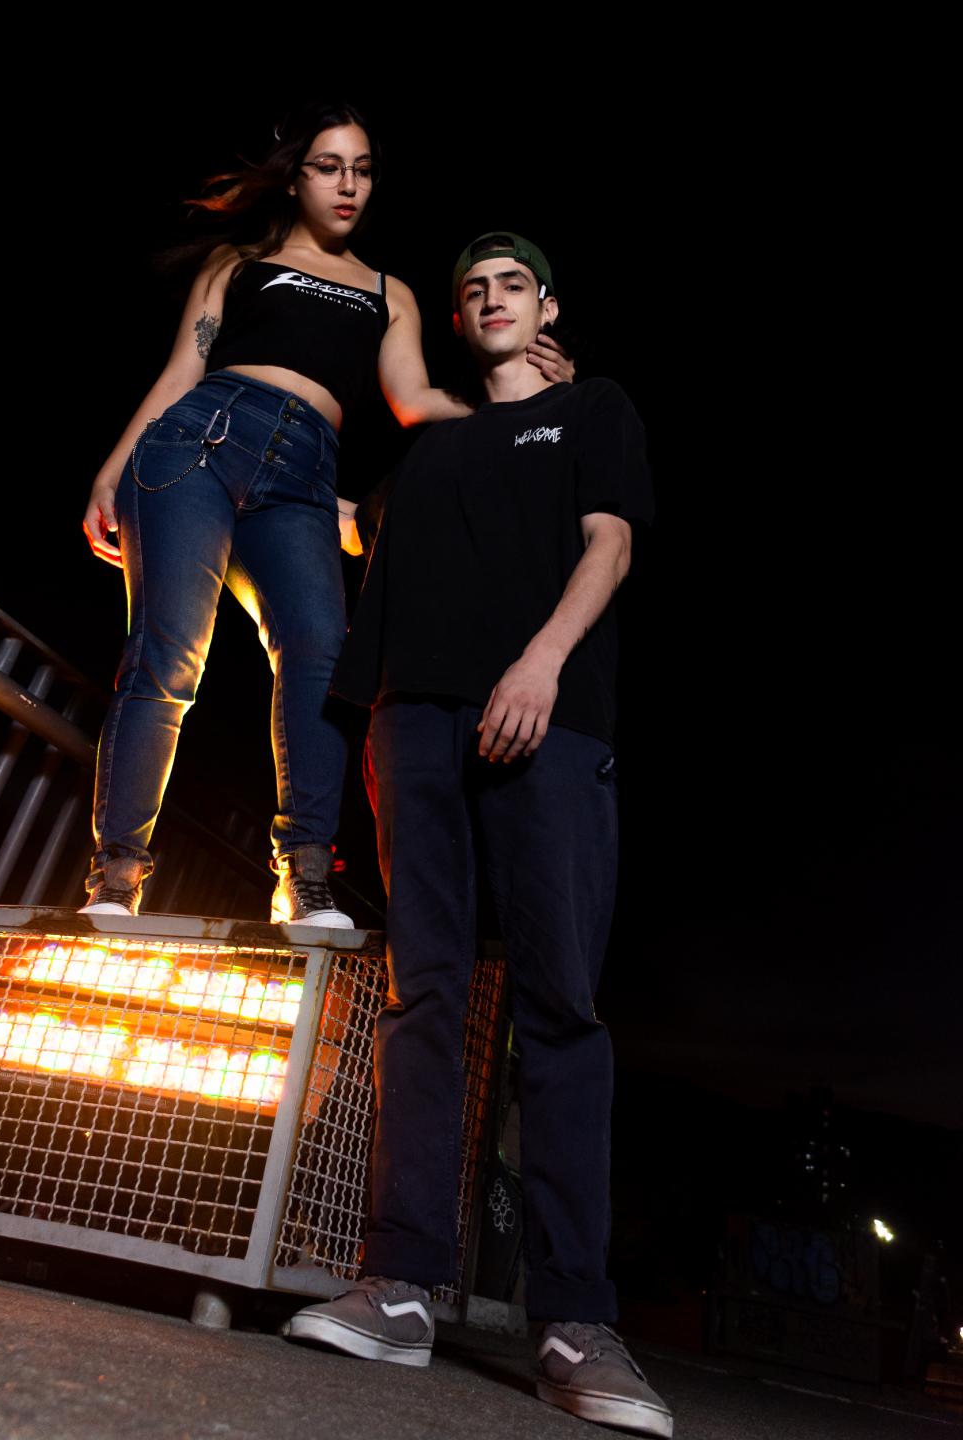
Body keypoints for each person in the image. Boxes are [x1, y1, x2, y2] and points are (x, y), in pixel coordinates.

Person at [285, 233, 673, 1438]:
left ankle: (574, 1321)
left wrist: (542, 662)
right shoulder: (432, 446)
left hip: (546, 715)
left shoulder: (592, 409)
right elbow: (352, 539)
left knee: (558, 1005)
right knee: (425, 997)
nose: (492, 299)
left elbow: (612, 542)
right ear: (456, 321)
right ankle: (400, 1284)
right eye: (473, 290)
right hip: (416, 723)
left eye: (513, 285)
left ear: (547, 308)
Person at [78, 103, 572, 925]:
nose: (349, 185)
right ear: (295, 179)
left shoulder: (388, 292)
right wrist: (110, 472)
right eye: (329, 167)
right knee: (168, 654)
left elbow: (414, 401)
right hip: (197, 443)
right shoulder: (240, 263)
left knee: (319, 658)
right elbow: (180, 372)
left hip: (303, 475)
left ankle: (303, 878)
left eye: (363, 170)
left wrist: (525, 398)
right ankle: (116, 879)